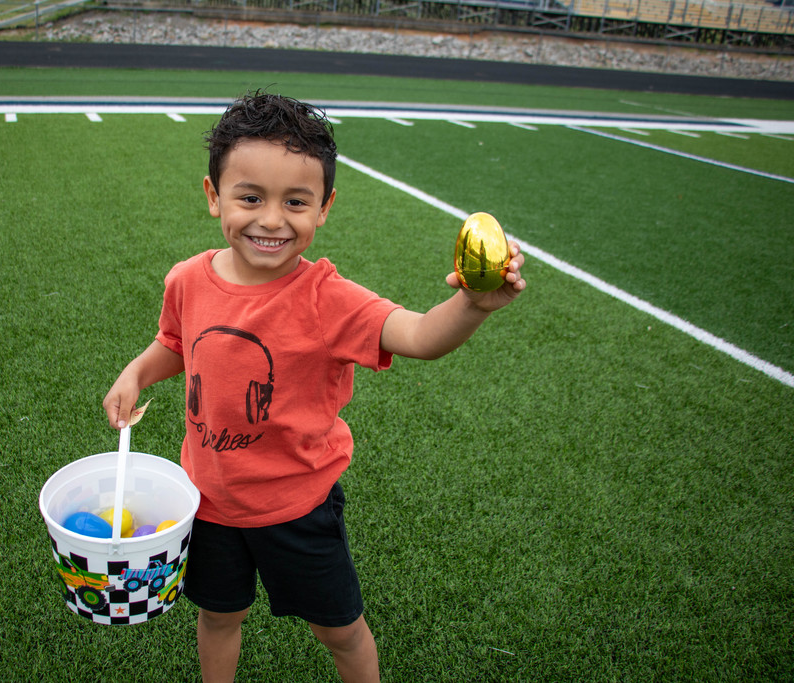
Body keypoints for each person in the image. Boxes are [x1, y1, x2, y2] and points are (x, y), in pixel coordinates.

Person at [103, 91, 526, 682]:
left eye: (295, 202)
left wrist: (473, 304)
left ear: (324, 207)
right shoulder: (186, 280)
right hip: (210, 502)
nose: (272, 219)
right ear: (212, 196)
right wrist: (136, 373)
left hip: (298, 509)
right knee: (220, 616)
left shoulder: (326, 298)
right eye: (250, 197)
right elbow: (175, 344)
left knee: (341, 630)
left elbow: (420, 335)